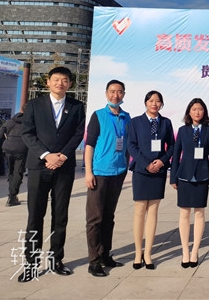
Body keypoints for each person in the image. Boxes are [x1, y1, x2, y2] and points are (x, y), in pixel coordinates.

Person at [18, 66, 86, 282]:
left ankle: (56, 260)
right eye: (56, 79)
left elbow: (78, 134)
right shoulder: (34, 105)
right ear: (48, 82)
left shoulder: (77, 106)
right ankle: (31, 264)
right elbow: (27, 133)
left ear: (70, 84)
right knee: (35, 216)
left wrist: (63, 156)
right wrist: (47, 155)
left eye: (65, 80)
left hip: (64, 168)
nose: (60, 83)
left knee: (60, 216)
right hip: (39, 167)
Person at [84, 80, 131, 277]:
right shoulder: (98, 115)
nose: (115, 95)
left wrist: (125, 166)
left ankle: (105, 255)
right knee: (95, 218)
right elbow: (89, 145)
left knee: (109, 217)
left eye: (119, 92)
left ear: (123, 94)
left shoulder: (126, 117)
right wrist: (88, 172)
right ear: (106, 93)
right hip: (100, 173)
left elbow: (128, 143)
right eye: (112, 91)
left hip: (118, 173)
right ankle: (94, 261)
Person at [127, 90, 175, 270]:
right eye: (151, 100)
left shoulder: (166, 123)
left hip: (158, 171)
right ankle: (137, 252)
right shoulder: (136, 122)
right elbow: (131, 145)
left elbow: (172, 146)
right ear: (145, 103)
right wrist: (146, 164)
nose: (154, 104)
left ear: (161, 104)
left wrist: (162, 161)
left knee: (153, 210)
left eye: (158, 101)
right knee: (140, 210)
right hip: (141, 170)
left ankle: (148, 253)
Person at [171, 98, 209, 268]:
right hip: (184, 176)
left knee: (199, 213)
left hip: (202, 176)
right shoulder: (183, 131)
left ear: (204, 112)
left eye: (200, 109)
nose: (197, 112)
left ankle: (195, 251)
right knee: (184, 213)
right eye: (194, 109)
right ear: (189, 112)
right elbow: (176, 154)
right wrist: (173, 177)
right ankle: (185, 251)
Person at [0, 106, 28, 206]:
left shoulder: (10, 122)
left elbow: (0, 134)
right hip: (21, 149)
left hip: (8, 148)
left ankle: (11, 194)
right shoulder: (29, 122)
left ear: (21, 110)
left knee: (11, 172)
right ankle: (12, 196)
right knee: (18, 172)